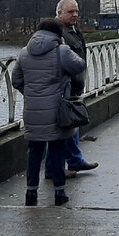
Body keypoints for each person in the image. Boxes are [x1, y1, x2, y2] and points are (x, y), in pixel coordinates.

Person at [12, 17, 86, 206]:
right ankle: (59, 193)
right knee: (57, 150)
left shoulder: (24, 53)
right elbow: (80, 65)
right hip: (57, 110)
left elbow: (17, 81)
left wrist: (31, 93)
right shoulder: (61, 51)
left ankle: (31, 194)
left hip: (32, 110)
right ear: (57, 34)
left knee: (34, 151)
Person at [55, 0, 100, 177]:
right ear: (59, 13)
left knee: (72, 125)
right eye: (70, 12)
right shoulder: (58, 33)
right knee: (66, 128)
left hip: (74, 88)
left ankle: (74, 161)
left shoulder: (73, 31)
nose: (75, 15)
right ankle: (67, 164)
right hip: (64, 89)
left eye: (76, 11)